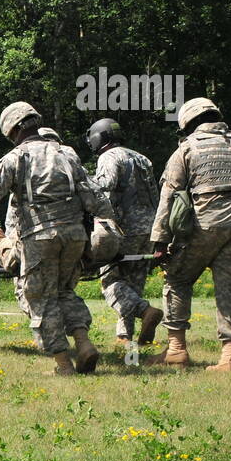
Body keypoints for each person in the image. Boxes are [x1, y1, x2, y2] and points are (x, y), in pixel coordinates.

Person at [0, 102, 114, 375]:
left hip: (40, 237)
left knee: (41, 298)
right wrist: (108, 224)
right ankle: (84, 343)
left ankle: (63, 365)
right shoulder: (67, 153)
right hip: (75, 235)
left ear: (14, 129)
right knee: (65, 291)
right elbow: (93, 194)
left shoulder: (15, 158)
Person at [147, 98, 231, 372]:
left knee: (177, 278)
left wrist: (160, 239)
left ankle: (176, 350)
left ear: (188, 123)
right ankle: (229, 358)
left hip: (205, 225)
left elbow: (169, 194)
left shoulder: (188, 147)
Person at [88, 118, 162, 347]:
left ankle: (146, 311)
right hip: (149, 228)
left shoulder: (109, 156)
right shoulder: (142, 158)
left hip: (123, 229)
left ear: (99, 138)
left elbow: (105, 183)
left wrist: (82, 180)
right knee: (134, 282)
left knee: (110, 279)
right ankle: (124, 337)